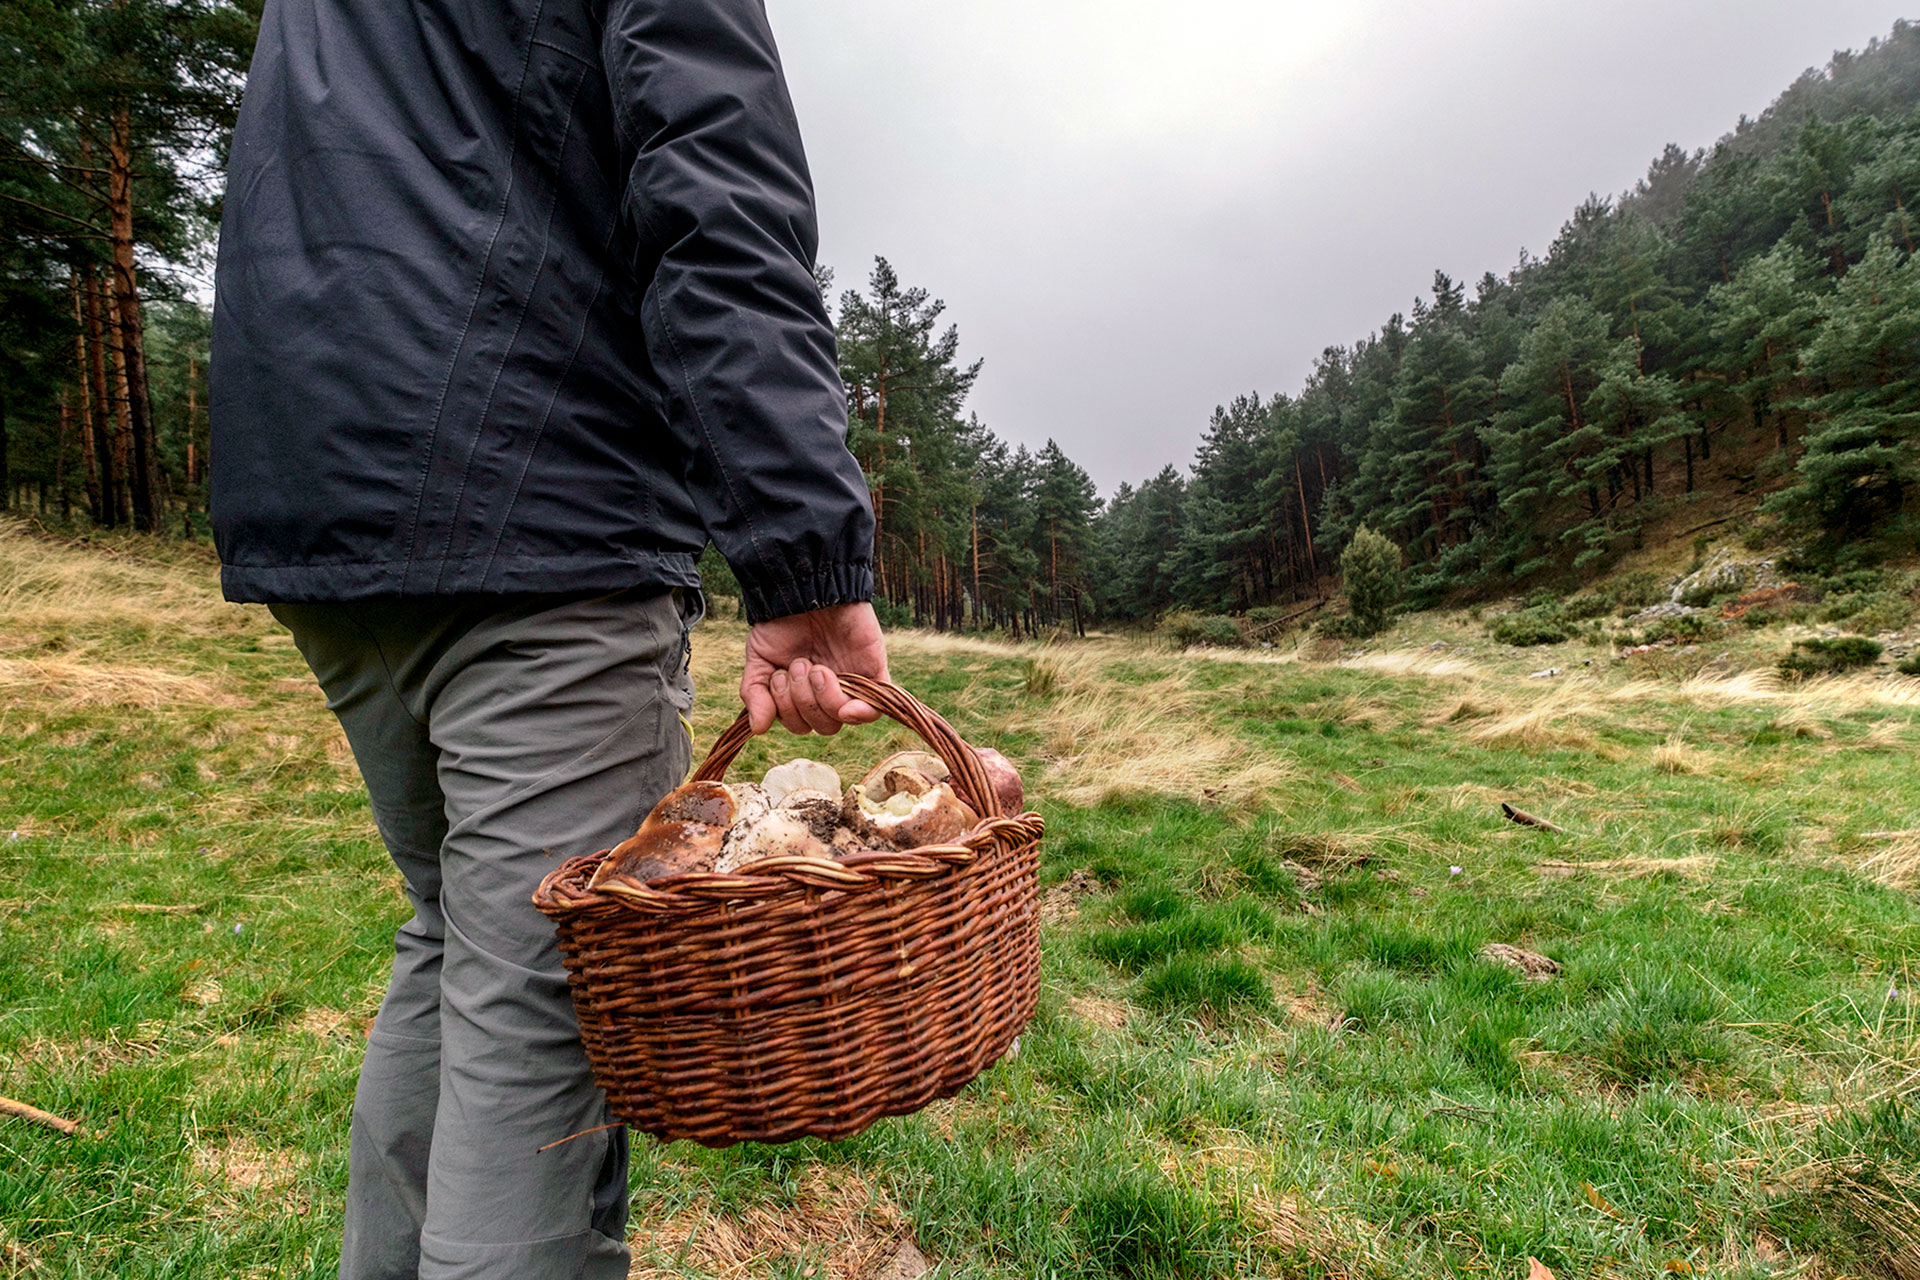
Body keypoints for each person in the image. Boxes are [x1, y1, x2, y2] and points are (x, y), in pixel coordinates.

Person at [207, 1, 885, 1276]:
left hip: (318, 470)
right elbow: (715, 185)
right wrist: (803, 552)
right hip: (535, 494)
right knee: (549, 984)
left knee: (461, 932)